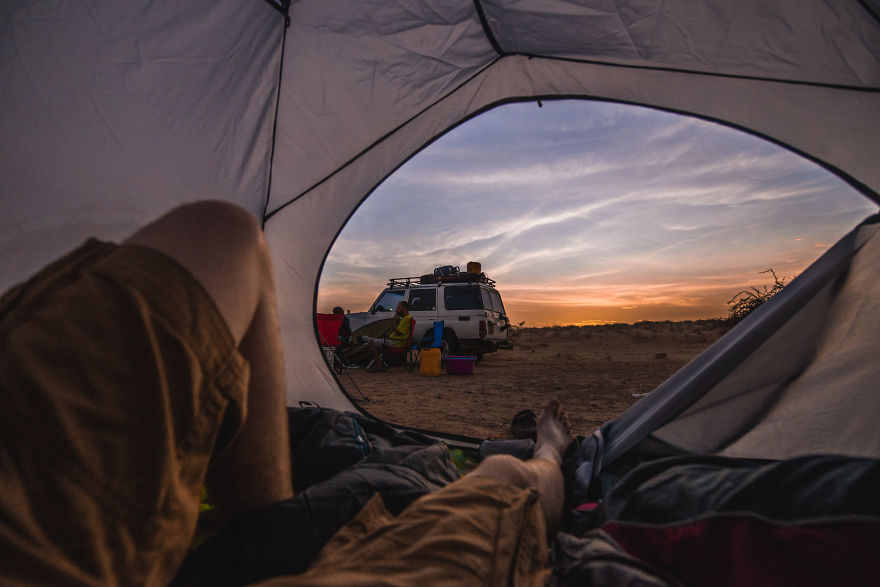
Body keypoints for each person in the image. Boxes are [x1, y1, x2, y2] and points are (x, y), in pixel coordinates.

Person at [0, 201, 571, 585]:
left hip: (39, 521)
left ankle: (269, 517)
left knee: (222, 231)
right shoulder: (397, 317)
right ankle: (551, 452)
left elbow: (226, 235)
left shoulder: (398, 317)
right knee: (506, 482)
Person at [360, 299, 412, 372]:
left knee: (371, 342)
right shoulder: (406, 318)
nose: (396, 310)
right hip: (394, 341)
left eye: (398, 308)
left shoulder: (406, 319)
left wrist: (395, 320)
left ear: (404, 308)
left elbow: (397, 332)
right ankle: (366, 339)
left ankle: (379, 365)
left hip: (396, 343)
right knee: (374, 340)